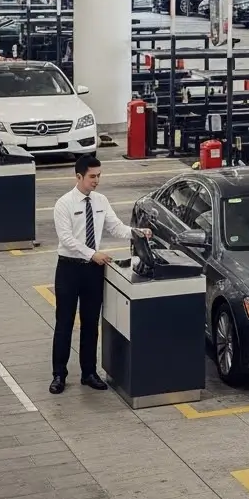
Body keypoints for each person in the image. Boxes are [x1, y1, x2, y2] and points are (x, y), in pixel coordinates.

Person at [49, 154, 151, 395]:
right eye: (92, 177)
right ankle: (58, 374)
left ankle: (89, 372)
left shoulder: (101, 201)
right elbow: (66, 239)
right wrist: (91, 253)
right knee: (64, 323)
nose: (96, 181)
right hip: (69, 269)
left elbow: (115, 227)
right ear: (78, 177)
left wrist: (137, 232)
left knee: (90, 323)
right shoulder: (63, 204)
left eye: (99, 176)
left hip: (93, 272)